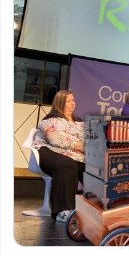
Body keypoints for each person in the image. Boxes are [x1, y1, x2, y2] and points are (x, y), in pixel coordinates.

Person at [31, 90, 85, 222]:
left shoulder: (79, 122)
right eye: (68, 101)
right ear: (60, 103)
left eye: (73, 100)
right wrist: (82, 146)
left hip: (75, 154)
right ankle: (63, 211)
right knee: (66, 164)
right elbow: (57, 138)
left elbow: (90, 138)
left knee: (93, 168)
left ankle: (96, 208)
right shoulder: (50, 120)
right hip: (48, 150)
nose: (73, 103)